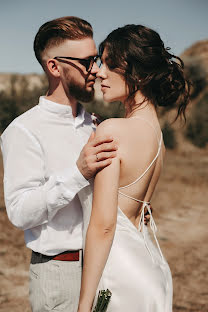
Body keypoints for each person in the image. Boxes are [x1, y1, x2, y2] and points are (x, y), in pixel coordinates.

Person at [0, 16, 119, 312]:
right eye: (87, 61)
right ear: (54, 66)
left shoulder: (97, 125)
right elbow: (19, 212)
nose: (95, 69)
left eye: (96, 59)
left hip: (109, 268)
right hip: (60, 274)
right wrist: (77, 173)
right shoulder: (23, 130)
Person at [77, 24, 190, 312]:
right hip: (149, 268)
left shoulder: (113, 130)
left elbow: (104, 226)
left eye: (110, 64)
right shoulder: (157, 137)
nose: (99, 72)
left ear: (137, 75)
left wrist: (83, 305)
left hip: (119, 278)